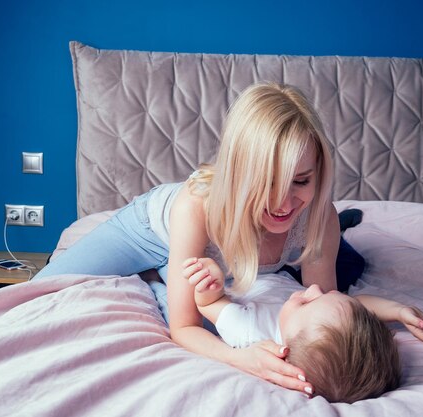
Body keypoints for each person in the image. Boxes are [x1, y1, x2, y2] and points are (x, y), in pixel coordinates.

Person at [34, 82, 364, 395]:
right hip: (151, 231)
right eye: (268, 182)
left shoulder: (320, 217)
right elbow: (183, 328)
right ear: (239, 172)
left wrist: (385, 312)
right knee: (39, 290)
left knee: (225, 324)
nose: (283, 203)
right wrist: (242, 359)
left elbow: (322, 311)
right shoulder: (196, 205)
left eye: (301, 181)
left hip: (209, 259)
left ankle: (161, 276)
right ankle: (158, 269)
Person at [185, 257, 423, 402]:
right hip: (284, 273)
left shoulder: (248, 331)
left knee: (171, 287)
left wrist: (211, 282)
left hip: (248, 276)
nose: (313, 289)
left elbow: (211, 304)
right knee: (353, 263)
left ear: (287, 351)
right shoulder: (313, 324)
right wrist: (397, 310)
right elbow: (353, 303)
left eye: (306, 302)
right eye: (325, 295)